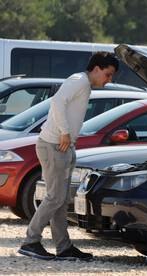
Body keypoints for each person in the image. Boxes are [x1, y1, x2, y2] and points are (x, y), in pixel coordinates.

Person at [18, 52, 119, 261]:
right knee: (55, 197)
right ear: (97, 68)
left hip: (62, 146)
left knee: (61, 200)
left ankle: (64, 247)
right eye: (108, 74)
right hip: (55, 145)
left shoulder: (83, 84)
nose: (109, 80)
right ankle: (30, 241)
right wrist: (65, 131)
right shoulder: (79, 81)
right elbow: (57, 103)